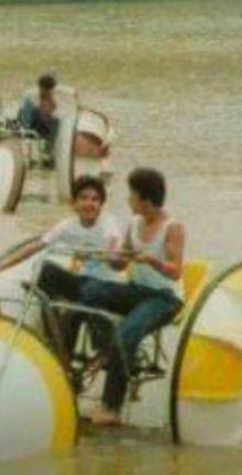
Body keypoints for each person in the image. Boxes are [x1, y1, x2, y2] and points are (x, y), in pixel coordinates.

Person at [0, 176, 127, 352]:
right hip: (80, 283)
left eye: (95, 199)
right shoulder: (67, 226)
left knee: (88, 299)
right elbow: (33, 247)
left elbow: (115, 244)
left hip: (102, 286)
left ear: (101, 204)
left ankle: (103, 347)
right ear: (73, 203)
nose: (89, 204)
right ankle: (53, 329)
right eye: (83, 198)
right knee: (46, 269)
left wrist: (112, 255)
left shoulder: (108, 224)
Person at [80, 168, 185, 426]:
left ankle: (111, 407)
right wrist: (107, 256)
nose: (128, 200)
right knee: (90, 290)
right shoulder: (135, 223)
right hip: (137, 291)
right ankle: (107, 350)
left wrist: (151, 260)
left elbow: (175, 271)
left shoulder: (173, 227)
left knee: (126, 333)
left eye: (131, 195)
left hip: (164, 297)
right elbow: (120, 263)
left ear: (145, 199)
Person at [18, 74, 62, 154]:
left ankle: (49, 150)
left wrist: (50, 107)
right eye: (46, 90)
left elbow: (52, 117)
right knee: (29, 107)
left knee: (56, 120)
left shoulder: (54, 100)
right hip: (31, 124)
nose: (49, 92)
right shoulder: (31, 97)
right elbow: (24, 115)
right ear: (40, 88)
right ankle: (25, 138)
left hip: (44, 127)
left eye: (50, 90)